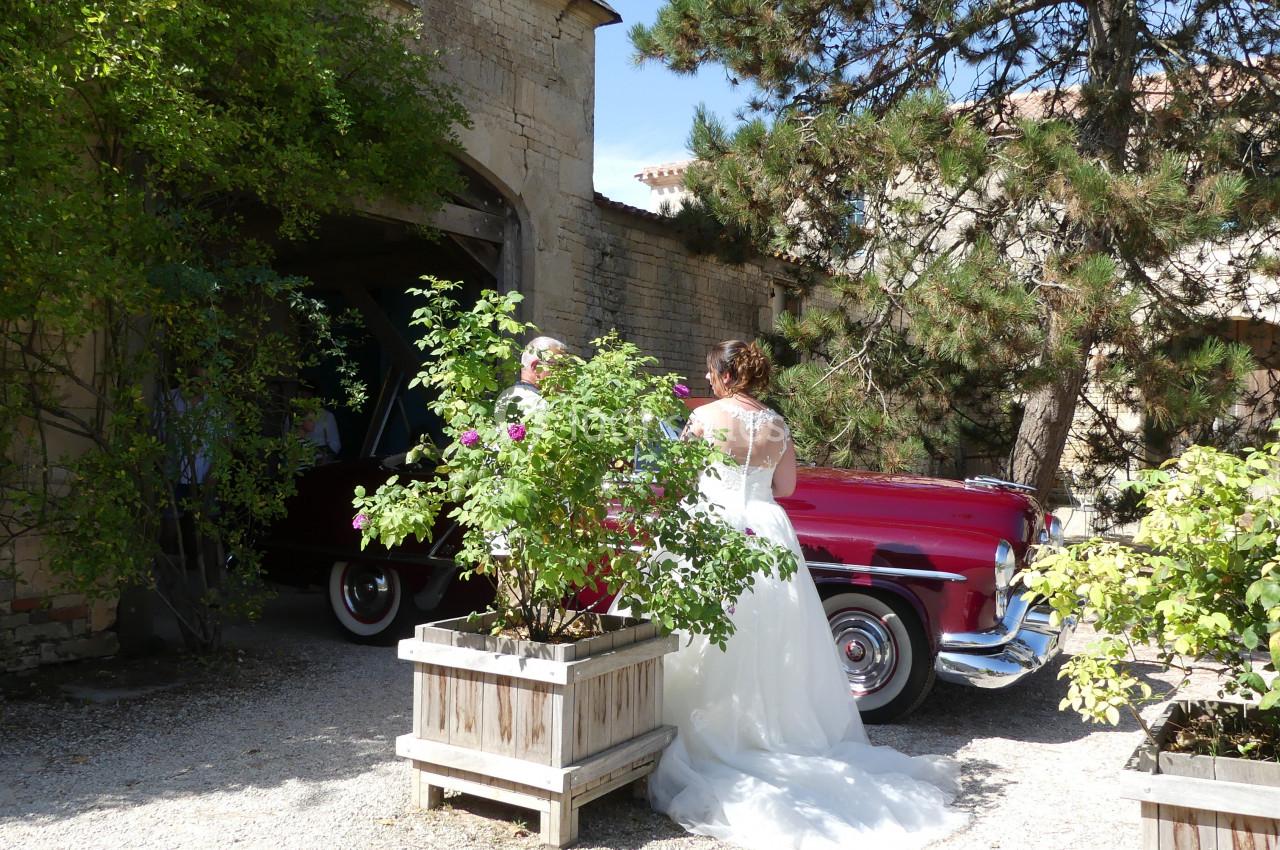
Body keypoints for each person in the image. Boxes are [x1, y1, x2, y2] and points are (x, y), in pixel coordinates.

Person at [648, 340, 967, 850]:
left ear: (726, 375)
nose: (708, 381)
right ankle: (770, 728)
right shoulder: (776, 423)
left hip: (713, 525)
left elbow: (681, 480)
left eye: (712, 372)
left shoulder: (705, 417)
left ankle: (678, 729)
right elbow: (788, 487)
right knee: (771, 634)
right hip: (765, 528)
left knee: (695, 627)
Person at [494, 336, 566, 423]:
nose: (564, 372)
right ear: (536, 367)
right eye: (560, 366)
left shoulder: (505, 399)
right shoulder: (538, 404)